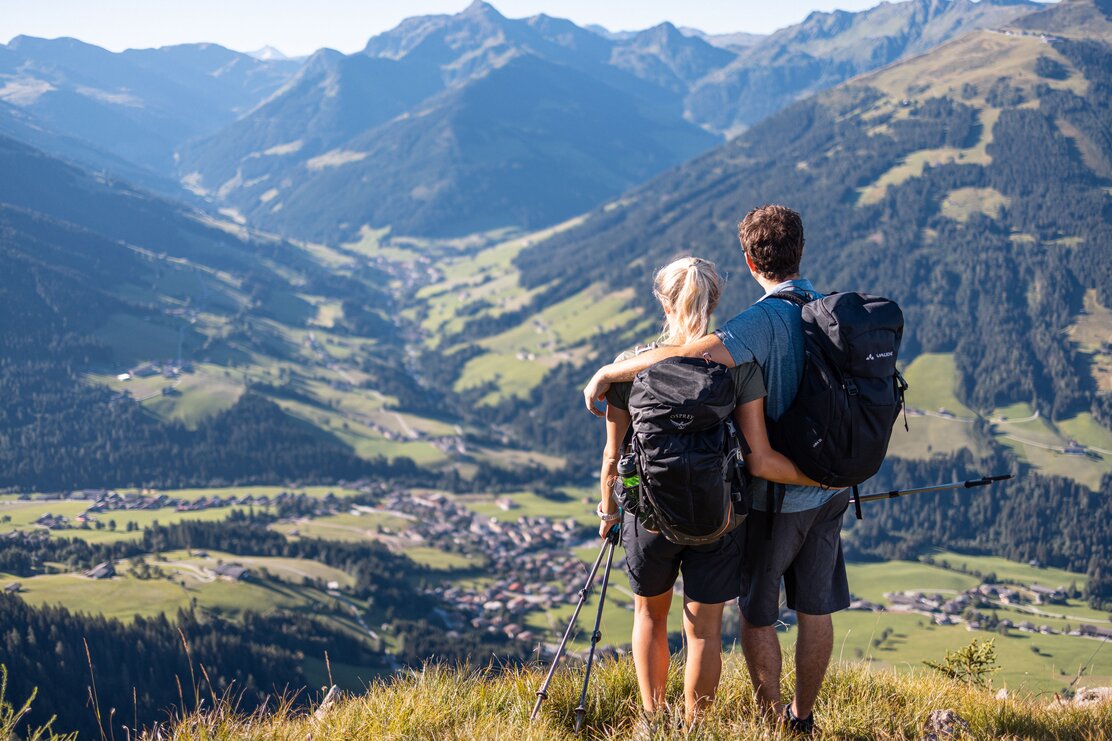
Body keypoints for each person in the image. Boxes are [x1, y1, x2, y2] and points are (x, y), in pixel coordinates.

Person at [587, 206, 850, 736]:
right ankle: (697, 727)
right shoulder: (740, 365)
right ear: (714, 299)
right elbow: (755, 450)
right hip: (719, 516)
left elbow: (614, 458)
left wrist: (608, 513)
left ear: (663, 299)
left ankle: (654, 721)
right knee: (704, 630)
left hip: (650, 515)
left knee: (649, 617)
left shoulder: (630, 365)